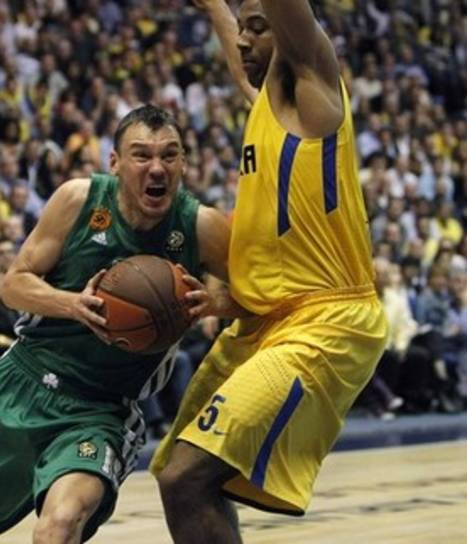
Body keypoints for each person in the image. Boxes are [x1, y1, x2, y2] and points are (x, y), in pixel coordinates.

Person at [0, 105, 233, 543]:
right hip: (22, 384)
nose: (157, 167)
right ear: (115, 162)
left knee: (59, 527)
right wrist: (72, 304)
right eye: (142, 155)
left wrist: (214, 303)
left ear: (184, 163)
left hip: (101, 410)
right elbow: (13, 285)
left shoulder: (202, 225)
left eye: (169, 155)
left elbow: (262, 295)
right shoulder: (78, 200)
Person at [151, 2, 388, 542]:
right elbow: (241, 64)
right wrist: (215, 7)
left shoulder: (315, 88)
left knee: (188, 476)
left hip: (325, 321)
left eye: (258, 28)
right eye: (242, 29)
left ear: (288, 34)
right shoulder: (265, 107)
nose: (243, 40)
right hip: (266, 323)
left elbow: (289, 19)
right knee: (179, 476)